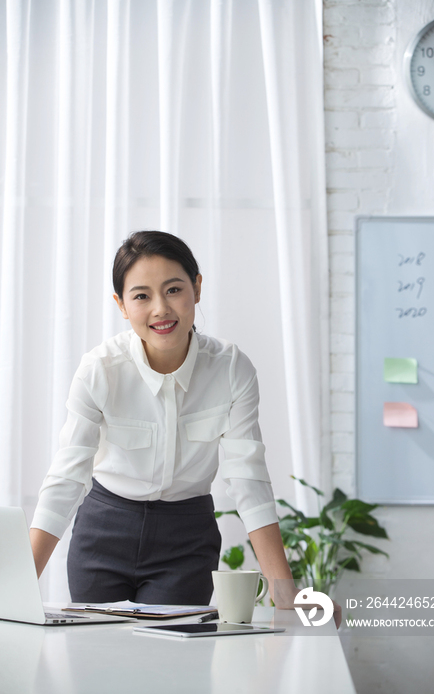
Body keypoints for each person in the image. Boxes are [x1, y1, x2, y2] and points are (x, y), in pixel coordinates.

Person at [29, 230, 295, 607]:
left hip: (186, 540)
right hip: (103, 531)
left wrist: (286, 596)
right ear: (121, 305)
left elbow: (248, 480)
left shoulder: (232, 370)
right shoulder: (100, 370)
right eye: (141, 296)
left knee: (174, 663)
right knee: (97, 661)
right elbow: (66, 478)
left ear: (196, 288)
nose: (160, 309)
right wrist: (15, 590)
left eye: (173, 290)